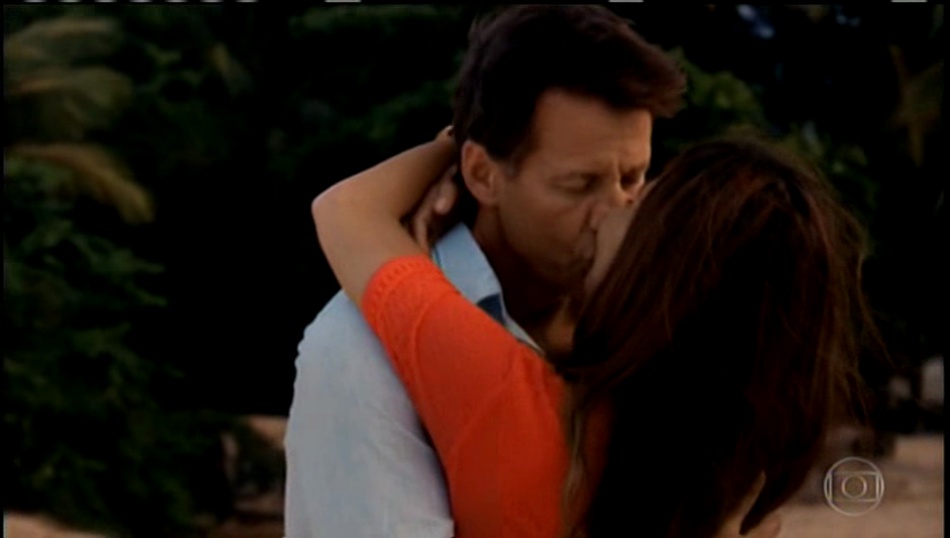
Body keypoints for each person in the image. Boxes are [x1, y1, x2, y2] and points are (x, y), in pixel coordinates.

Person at [310, 131, 873, 537]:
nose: (616, 203)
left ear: (658, 272)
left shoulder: (516, 401)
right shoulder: (746, 475)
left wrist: (465, 147)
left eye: (642, 195)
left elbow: (346, 210)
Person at [284, 6, 688, 536]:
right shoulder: (361, 352)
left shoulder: (649, 319)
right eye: (579, 185)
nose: (615, 213)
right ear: (482, 173)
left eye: (632, 178)